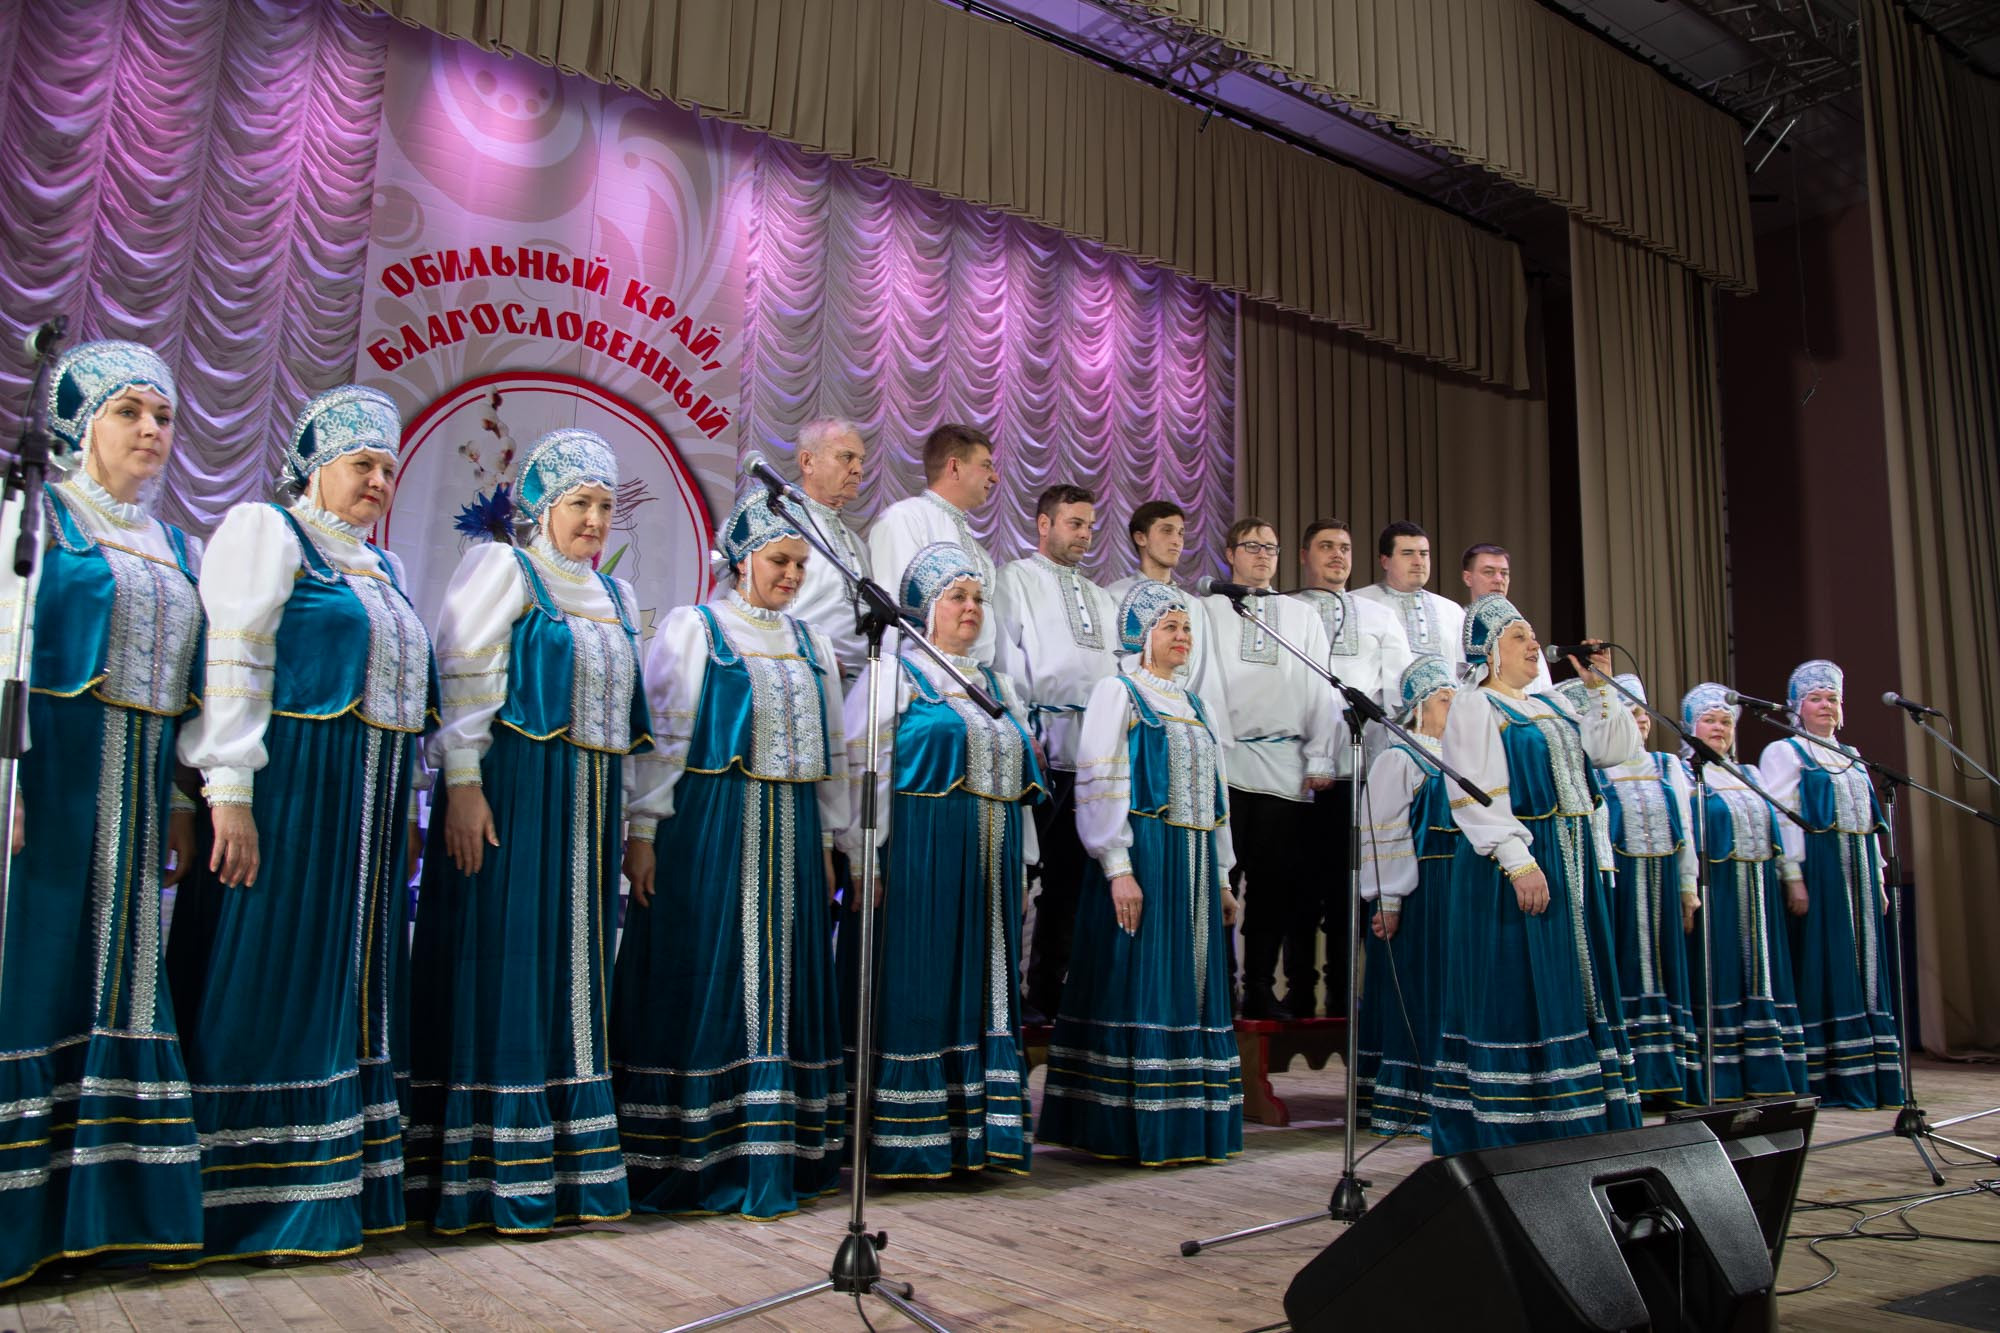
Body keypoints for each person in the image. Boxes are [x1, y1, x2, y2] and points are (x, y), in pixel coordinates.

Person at [173, 385, 436, 1266]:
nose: (378, 481)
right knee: (277, 964)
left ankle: (338, 1189)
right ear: (314, 467)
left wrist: (404, 806)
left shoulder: (384, 568)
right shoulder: (267, 533)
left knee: (353, 982)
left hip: (367, 801)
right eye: (362, 464)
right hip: (294, 791)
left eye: (389, 468)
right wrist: (230, 791)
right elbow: (235, 656)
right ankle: (253, 1195)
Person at [404, 430, 653, 1235]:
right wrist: (465, 785)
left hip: (587, 807)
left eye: (606, 505)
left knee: (575, 968)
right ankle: (486, 1172)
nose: (593, 519)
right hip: (513, 795)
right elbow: (464, 674)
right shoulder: (504, 570)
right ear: (543, 508)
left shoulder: (615, 599)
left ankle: (569, 1169)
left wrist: (629, 822)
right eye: (579, 502)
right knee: (504, 958)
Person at [0, 342, 204, 1287]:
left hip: (135, 790)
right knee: (35, 969)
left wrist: (175, 798)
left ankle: (112, 1207)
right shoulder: (36, 515)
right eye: (129, 412)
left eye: (162, 416)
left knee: (124, 977)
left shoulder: (179, 547)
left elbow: (182, 693)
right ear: (82, 423)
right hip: (51, 780)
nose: (152, 432)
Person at [611, 495, 850, 1220]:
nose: (792, 575)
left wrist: (836, 839)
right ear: (741, 559)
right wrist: (643, 830)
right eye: (780, 561)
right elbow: (664, 737)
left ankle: (778, 1152)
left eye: (802, 565)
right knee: (710, 975)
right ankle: (695, 1155)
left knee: (782, 983)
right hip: (710, 831)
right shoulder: (696, 628)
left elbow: (834, 756)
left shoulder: (814, 643)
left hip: (795, 836)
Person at [840, 543, 1044, 1179]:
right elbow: (862, 767)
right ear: (925, 608)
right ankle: (910, 1138)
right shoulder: (895, 675)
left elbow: (1022, 786)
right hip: (923, 857)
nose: (971, 609)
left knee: (986, 989)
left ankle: (979, 1138)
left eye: (978, 598)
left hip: (992, 863)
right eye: (957, 596)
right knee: (921, 981)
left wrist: (1030, 862)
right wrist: (864, 857)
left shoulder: (997, 685)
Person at [1037, 583, 1242, 1165]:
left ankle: (1188, 1123)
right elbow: (1099, 779)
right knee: (1141, 978)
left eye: (1187, 629)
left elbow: (1217, 796)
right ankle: (1128, 1124)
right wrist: (1117, 865)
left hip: (1195, 859)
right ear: (1143, 635)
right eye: (1170, 627)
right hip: (1146, 853)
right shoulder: (1119, 692)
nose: (1182, 638)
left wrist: (1223, 875)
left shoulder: (1197, 704)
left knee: (1194, 981)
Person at [1433, 594, 1641, 1156]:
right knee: (1523, 985)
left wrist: (1599, 687)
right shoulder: (1479, 706)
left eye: (1531, 636)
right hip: (1522, 864)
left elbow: (1615, 748)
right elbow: (1474, 793)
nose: (1532, 645)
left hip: (1572, 863)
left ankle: (1581, 1112)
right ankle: (1523, 1120)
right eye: (1518, 636)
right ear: (1490, 652)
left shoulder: (1549, 706)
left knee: (1576, 986)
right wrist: (1518, 861)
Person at [1195, 518, 1336, 1019]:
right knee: (1219, 880)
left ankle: (1258, 986)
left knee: (1275, 887)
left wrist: (1321, 754)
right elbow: (1199, 679)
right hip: (1226, 761)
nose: (1262, 555)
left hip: (1284, 764)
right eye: (1252, 546)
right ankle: (1217, 986)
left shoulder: (1301, 616)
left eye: (1271, 548)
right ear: (1230, 552)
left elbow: (1323, 688)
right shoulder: (1206, 609)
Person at [996, 485, 1119, 1024]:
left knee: (1070, 879)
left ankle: (1051, 988)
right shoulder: (1014, 579)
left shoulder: (1101, 595)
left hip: (1090, 752)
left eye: (1090, 525)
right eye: (1074, 524)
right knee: (1022, 873)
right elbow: (1005, 658)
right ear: (1043, 524)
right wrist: (1024, 731)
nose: (1084, 535)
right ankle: (1003, 991)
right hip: (1040, 742)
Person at [1758, 660, 1902, 1109]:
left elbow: (1869, 825)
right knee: (1829, 963)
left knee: (1867, 970)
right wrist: (1793, 876)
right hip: (1820, 872)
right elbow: (1781, 818)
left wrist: (1877, 878)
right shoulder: (1786, 752)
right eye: (1815, 699)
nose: (1825, 706)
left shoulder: (1854, 756)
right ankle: (1835, 1077)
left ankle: (1875, 1075)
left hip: (1858, 872)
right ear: (1797, 707)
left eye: (1832, 699)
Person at [1291, 517, 1411, 1020]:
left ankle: (1344, 999)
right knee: (1299, 893)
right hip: (1294, 774)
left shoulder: (1378, 615)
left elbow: (1397, 689)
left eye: (1344, 547)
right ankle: (1298, 996)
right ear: (1304, 555)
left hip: (1360, 772)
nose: (1337, 555)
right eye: (1326, 547)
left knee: (1348, 892)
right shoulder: (1285, 609)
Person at [1684, 684, 1808, 1101]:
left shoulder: (1751, 775)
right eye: (1709, 721)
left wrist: (1791, 877)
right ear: (1690, 726)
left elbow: (1778, 832)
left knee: (1764, 976)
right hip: (1717, 894)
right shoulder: (1686, 776)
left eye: (1725, 722)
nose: (1719, 728)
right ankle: (1725, 1078)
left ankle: (1768, 1071)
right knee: (1722, 975)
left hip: (1761, 895)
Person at [1353, 656, 1458, 1140]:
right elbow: (1382, 830)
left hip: (1457, 898)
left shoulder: (1459, 761)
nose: (1453, 706)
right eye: (1444, 698)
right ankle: (1411, 1100)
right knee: (1418, 991)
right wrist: (1388, 899)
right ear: (1418, 708)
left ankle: (1451, 1094)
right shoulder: (1401, 758)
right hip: (1418, 900)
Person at [1592, 675, 1703, 1107]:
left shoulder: (1667, 766)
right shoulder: (1600, 766)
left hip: (1662, 886)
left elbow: (1686, 832)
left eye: (1643, 714)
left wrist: (1688, 887)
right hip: (1621, 889)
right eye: (1629, 713)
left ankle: (1672, 1078)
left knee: (1667, 974)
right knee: (1623, 975)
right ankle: (1628, 1079)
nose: (1639, 721)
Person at [866, 423, 1002, 665]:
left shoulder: (979, 552)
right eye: (986, 466)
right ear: (955, 467)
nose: (995, 477)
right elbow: (896, 618)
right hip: (924, 681)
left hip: (974, 680)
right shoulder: (906, 519)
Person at [781, 418, 872, 684]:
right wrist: (814, 655)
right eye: (847, 457)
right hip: (802, 677)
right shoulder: (781, 525)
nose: (858, 470)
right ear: (807, 462)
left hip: (856, 690)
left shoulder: (856, 543)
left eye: (861, 460)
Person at [1105, 499, 1210, 686]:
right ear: (1141, 538)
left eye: (1180, 533)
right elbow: (1110, 664)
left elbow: (1203, 675)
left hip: (1183, 710)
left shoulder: (1193, 605)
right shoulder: (1115, 597)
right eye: (1167, 531)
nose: (1177, 541)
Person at [1354, 521, 1464, 674]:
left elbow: (1464, 674)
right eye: (1407, 553)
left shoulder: (1452, 611)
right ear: (1385, 561)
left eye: (1424, 554)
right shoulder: (1358, 604)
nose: (1418, 562)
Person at [1460, 543, 1549, 690]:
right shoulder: (1458, 626)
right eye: (1489, 572)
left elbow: (1542, 687)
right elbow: (1462, 683)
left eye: (1504, 573)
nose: (1499, 579)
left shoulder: (1524, 631)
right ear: (1468, 578)